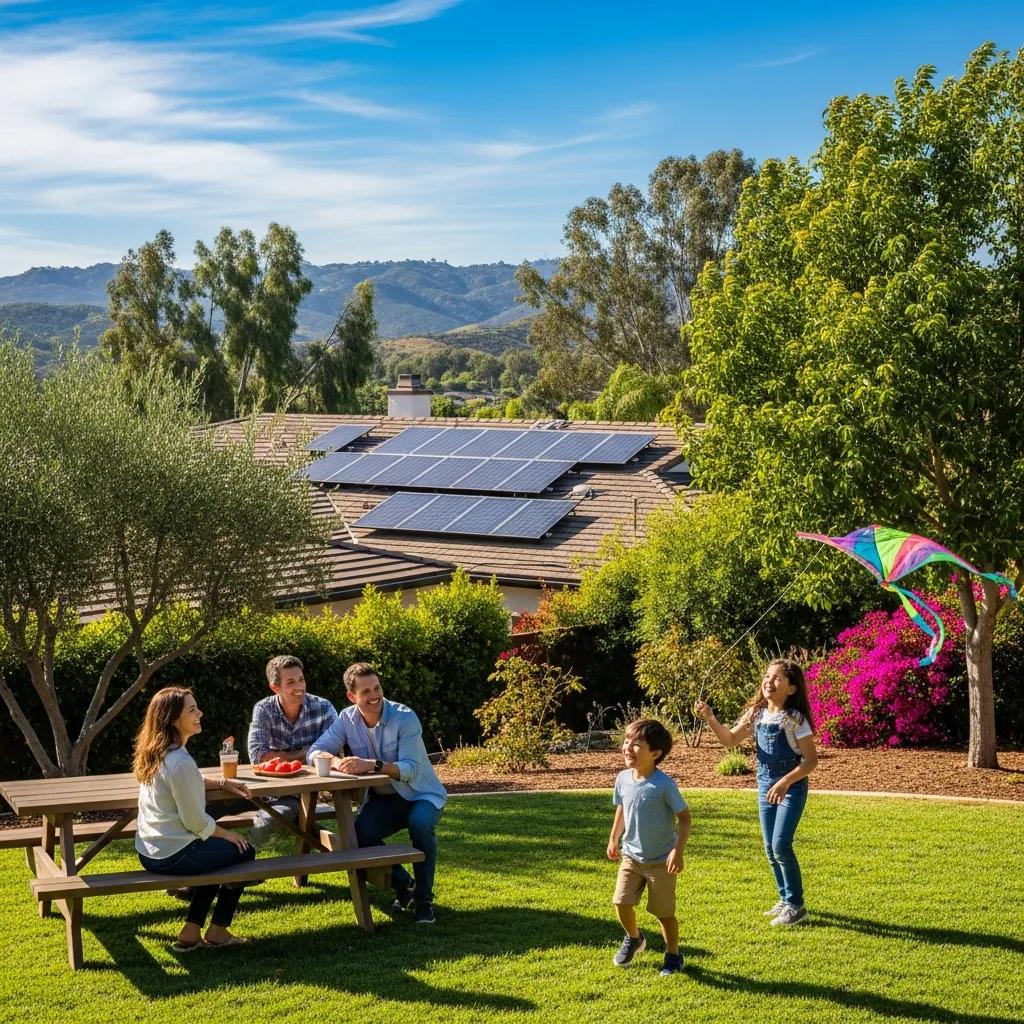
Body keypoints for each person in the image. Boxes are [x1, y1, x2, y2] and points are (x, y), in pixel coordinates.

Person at [308, 662, 447, 925]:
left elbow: (410, 769)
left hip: (421, 794)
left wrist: (371, 764)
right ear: (352, 697)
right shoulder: (346, 718)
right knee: (358, 833)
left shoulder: (404, 717)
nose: (375, 696)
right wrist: (338, 762)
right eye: (366, 692)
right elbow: (315, 750)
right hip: (386, 799)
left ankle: (424, 902)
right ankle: (406, 884)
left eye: (377, 687)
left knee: (420, 824)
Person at [694, 658, 819, 926]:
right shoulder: (757, 714)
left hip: (791, 787)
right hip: (765, 786)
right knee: (769, 848)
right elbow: (730, 740)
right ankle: (785, 900)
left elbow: (810, 761)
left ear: (792, 689)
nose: (768, 682)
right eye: (767, 676)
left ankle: (797, 907)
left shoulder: (794, 719)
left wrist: (785, 782)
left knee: (781, 845)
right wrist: (710, 718)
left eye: (777, 678)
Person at [133, 686, 256, 951]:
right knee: (243, 850)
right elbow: (194, 822)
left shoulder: (158, 753)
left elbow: (187, 782)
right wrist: (227, 834)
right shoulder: (179, 761)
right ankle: (218, 930)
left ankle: (191, 933)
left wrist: (221, 782)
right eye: (192, 710)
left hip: (150, 851)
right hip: (172, 854)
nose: (199, 713)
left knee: (214, 855)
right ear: (172, 719)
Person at [607, 718, 690, 975]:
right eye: (627, 741)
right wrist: (613, 838)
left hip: (661, 861)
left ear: (655, 753)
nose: (628, 747)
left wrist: (677, 850)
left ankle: (673, 954)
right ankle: (634, 938)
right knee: (621, 902)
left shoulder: (664, 785)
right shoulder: (622, 779)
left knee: (663, 913)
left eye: (636, 744)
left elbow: (685, 818)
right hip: (631, 856)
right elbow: (622, 808)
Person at [246, 655, 338, 847]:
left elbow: (330, 753)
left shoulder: (323, 708)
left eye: (301, 679)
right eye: (291, 682)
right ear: (275, 687)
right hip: (269, 791)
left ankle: (243, 855)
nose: (299, 686)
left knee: (269, 825)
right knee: (210, 805)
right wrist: (307, 752)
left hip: (309, 793)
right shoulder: (264, 709)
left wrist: (281, 756)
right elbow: (258, 756)